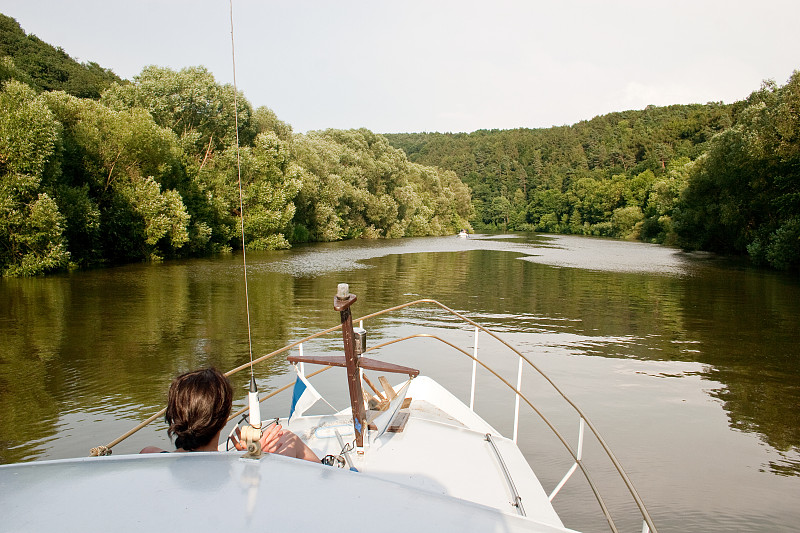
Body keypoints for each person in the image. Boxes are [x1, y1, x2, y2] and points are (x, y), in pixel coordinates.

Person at [141, 367, 319, 462]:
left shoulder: (149, 455)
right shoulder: (243, 471)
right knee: (289, 438)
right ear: (225, 418)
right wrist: (255, 456)